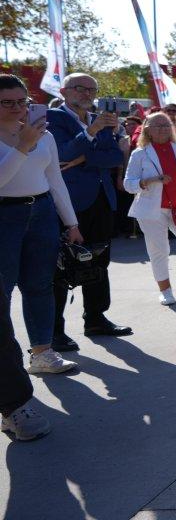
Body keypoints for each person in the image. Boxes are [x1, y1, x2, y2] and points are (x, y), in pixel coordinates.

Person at [0, 74, 82, 374]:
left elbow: (55, 179)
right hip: (4, 215)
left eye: (22, 102)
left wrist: (71, 222)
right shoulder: (30, 138)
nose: (17, 108)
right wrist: (22, 146)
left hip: (42, 212)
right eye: (7, 102)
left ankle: (42, 353)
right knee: (2, 290)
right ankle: (7, 365)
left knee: (39, 285)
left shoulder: (43, 135)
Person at [47, 72, 130, 352]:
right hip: (69, 202)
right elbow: (61, 154)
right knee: (62, 266)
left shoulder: (100, 119)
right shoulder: (52, 118)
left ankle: (95, 318)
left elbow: (115, 157)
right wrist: (90, 137)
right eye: (79, 88)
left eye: (91, 89)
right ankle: (54, 331)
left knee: (99, 261)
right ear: (63, 91)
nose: (86, 94)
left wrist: (83, 157)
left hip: (101, 200)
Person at [124, 112, 176, 306]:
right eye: (157, 125)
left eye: (166, 125)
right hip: (152, 210)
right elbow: (128, 184)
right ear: (147, 130)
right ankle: (165, 290)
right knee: (159, 250)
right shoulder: (140, 153)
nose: (163, 129)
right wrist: (149, 181)